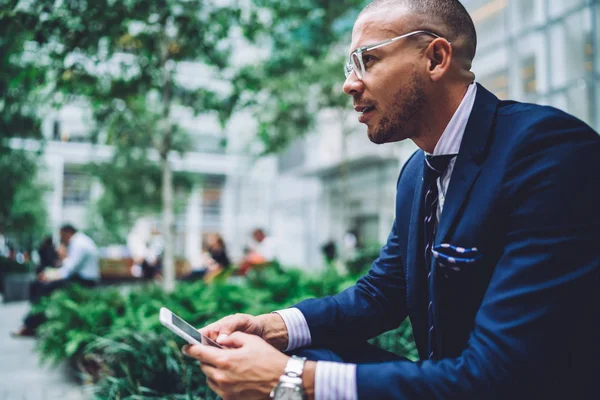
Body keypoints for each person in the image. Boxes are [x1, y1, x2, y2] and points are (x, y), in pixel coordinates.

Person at [182, 1, 600, 399]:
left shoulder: (549, 153)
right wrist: (271, 327)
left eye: (368, 60)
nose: (349, 84)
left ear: (435, 59)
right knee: (291, 354)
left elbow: (498, 375)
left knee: (291, 375)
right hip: (448, 384)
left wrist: (292, 381)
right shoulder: (417, 172)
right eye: (350, 66)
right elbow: (378, 296)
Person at [12, 224, 100, 337]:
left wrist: (49, 275)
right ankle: (33, 323)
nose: (61, 239)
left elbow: (68, 270)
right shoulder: (79, 241)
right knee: (38, 285)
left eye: (61, 235)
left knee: (43, 288)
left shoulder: (79, 244)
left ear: (67, 232)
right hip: (80, 278)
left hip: (84, 281)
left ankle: (30, 325)